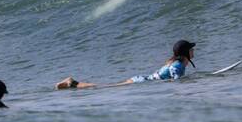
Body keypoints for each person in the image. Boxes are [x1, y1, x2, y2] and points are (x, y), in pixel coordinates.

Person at [55, 40, 196, 89]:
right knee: (103, 87)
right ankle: (72, 83)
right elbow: (175, 82)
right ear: (186, 52)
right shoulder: (178, 66)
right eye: (191, 48)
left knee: (105, 87)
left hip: (141, 80)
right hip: (140, 82)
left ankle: (73, 84)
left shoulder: (176, 63)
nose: (193, 50)